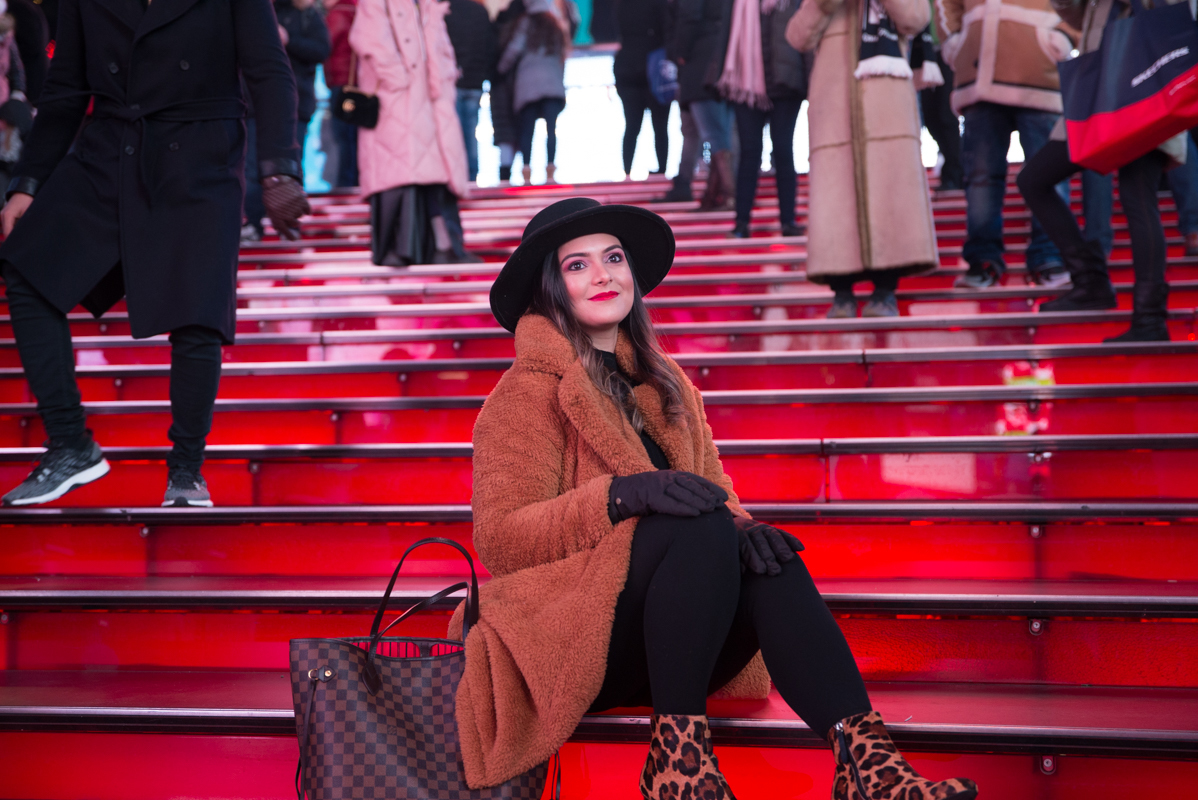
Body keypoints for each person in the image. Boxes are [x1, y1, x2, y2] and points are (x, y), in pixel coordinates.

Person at [447, 197, 980, 800]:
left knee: (764, 553)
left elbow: (716, 491)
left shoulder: (667, 382)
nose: (602, 275)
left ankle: (869, 767)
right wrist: (618, 497)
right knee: (697, 526)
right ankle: (679, 768)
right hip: (568, 644)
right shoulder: (522, 397)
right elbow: (501, 539)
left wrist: (743, 527)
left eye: (614, 258)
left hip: (678, 636)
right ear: (549, 287)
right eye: (577, 265)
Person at [0, 0, 307, 507]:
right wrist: (27, 184)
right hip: (109, 150)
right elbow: (66, 89)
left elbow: (270, 72)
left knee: (196, 311)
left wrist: (279, 169)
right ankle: (70, 444)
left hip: (202, 154)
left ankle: (186, 471)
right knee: (28, 270)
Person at [1016, 0, 1190, 342]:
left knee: (1137, 196)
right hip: (1101, 96)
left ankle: (1150, 318)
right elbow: (1078, 19)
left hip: (1145, 87)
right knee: (1033, 180)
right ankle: (1091, 281)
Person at [787, 0, 938, 317]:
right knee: (835, 197)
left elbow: (917, 17)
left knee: (890, 189)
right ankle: (841, 291)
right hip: (832, 108)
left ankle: (886, 290)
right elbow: (797, 37)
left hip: (887, 103)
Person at [934, 0, 1075, 288]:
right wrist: (954, 41)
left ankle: (1050, 256)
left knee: (1049, 176)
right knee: (981, 178)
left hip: (1038, 69)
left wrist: (1064, 35)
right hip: (978, 72)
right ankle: (984, 260)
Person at [351, 0, 475, 264]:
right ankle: (407, 248)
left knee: (434, 172)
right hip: (396, 97)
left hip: (430, 99)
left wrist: (443, 79)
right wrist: (397, 77)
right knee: (400, 171)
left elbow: (441, 48)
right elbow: (369, 39)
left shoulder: (428, 4)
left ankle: (442, 245)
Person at [712, 0, 808, 238]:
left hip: (786, 85)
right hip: (746, 88)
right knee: (749, 154)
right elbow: (725, 34)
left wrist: (809, 81)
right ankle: (741, 223)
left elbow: (805, 39)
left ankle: (788, 221)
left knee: (784, 152)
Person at [669, 0, 736, 208]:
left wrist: (680, 52)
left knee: (714, 135)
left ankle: (728, 193)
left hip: (700, 64)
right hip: (721, 59)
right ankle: (717, 193)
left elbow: (690, 16)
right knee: (719, 133)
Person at [497, 0, 569, 185]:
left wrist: (500, 69)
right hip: (552, 83)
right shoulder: (555, 24)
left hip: (528, 83)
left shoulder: (525, 23)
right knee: (551, 129)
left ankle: (527, 172)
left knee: (527, 131)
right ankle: (550, 172)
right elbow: (563, 53)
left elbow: (514, 49)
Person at [615, 0, 670, 179]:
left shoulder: (622, 5)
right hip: (654, 68)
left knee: (631, 125)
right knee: (660, 125)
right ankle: (661, 170)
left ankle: (627, 172)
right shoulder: (659, 5)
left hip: (628, 67)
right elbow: (667, 30)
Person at [447, 0, 499, 183]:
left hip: (451, 81)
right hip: (474, 81)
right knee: (471, 133)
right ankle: (471, 178)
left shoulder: (446, 9)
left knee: (452, 135)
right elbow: (490, 47)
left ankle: (457, 179)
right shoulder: (480, 12)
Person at [911, 22, 963, 192]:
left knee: (946, 115)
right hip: (921, 53)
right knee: (930, 117)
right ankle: (953, 168)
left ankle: (955, 173)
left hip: (946, 49)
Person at [323, 0, 360, 189]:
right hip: (357, 83)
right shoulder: (359, 11)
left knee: (342, 136)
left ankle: (345, 181)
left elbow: (325, 44)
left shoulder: (338, 14)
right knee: (353, 136)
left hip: (342, 82)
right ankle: (353, 178)